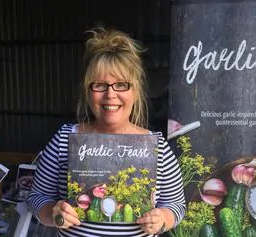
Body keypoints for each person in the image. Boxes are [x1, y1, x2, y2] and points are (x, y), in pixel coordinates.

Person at [28, 27, 185, 237]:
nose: (110, 94)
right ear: (88, 92)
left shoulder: (157, 147)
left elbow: (177, 205)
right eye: (100, 85)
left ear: (135, 92)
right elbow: (37, 197)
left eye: (121, 85)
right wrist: (53, 213)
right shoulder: (65, 139)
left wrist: (162, 219)